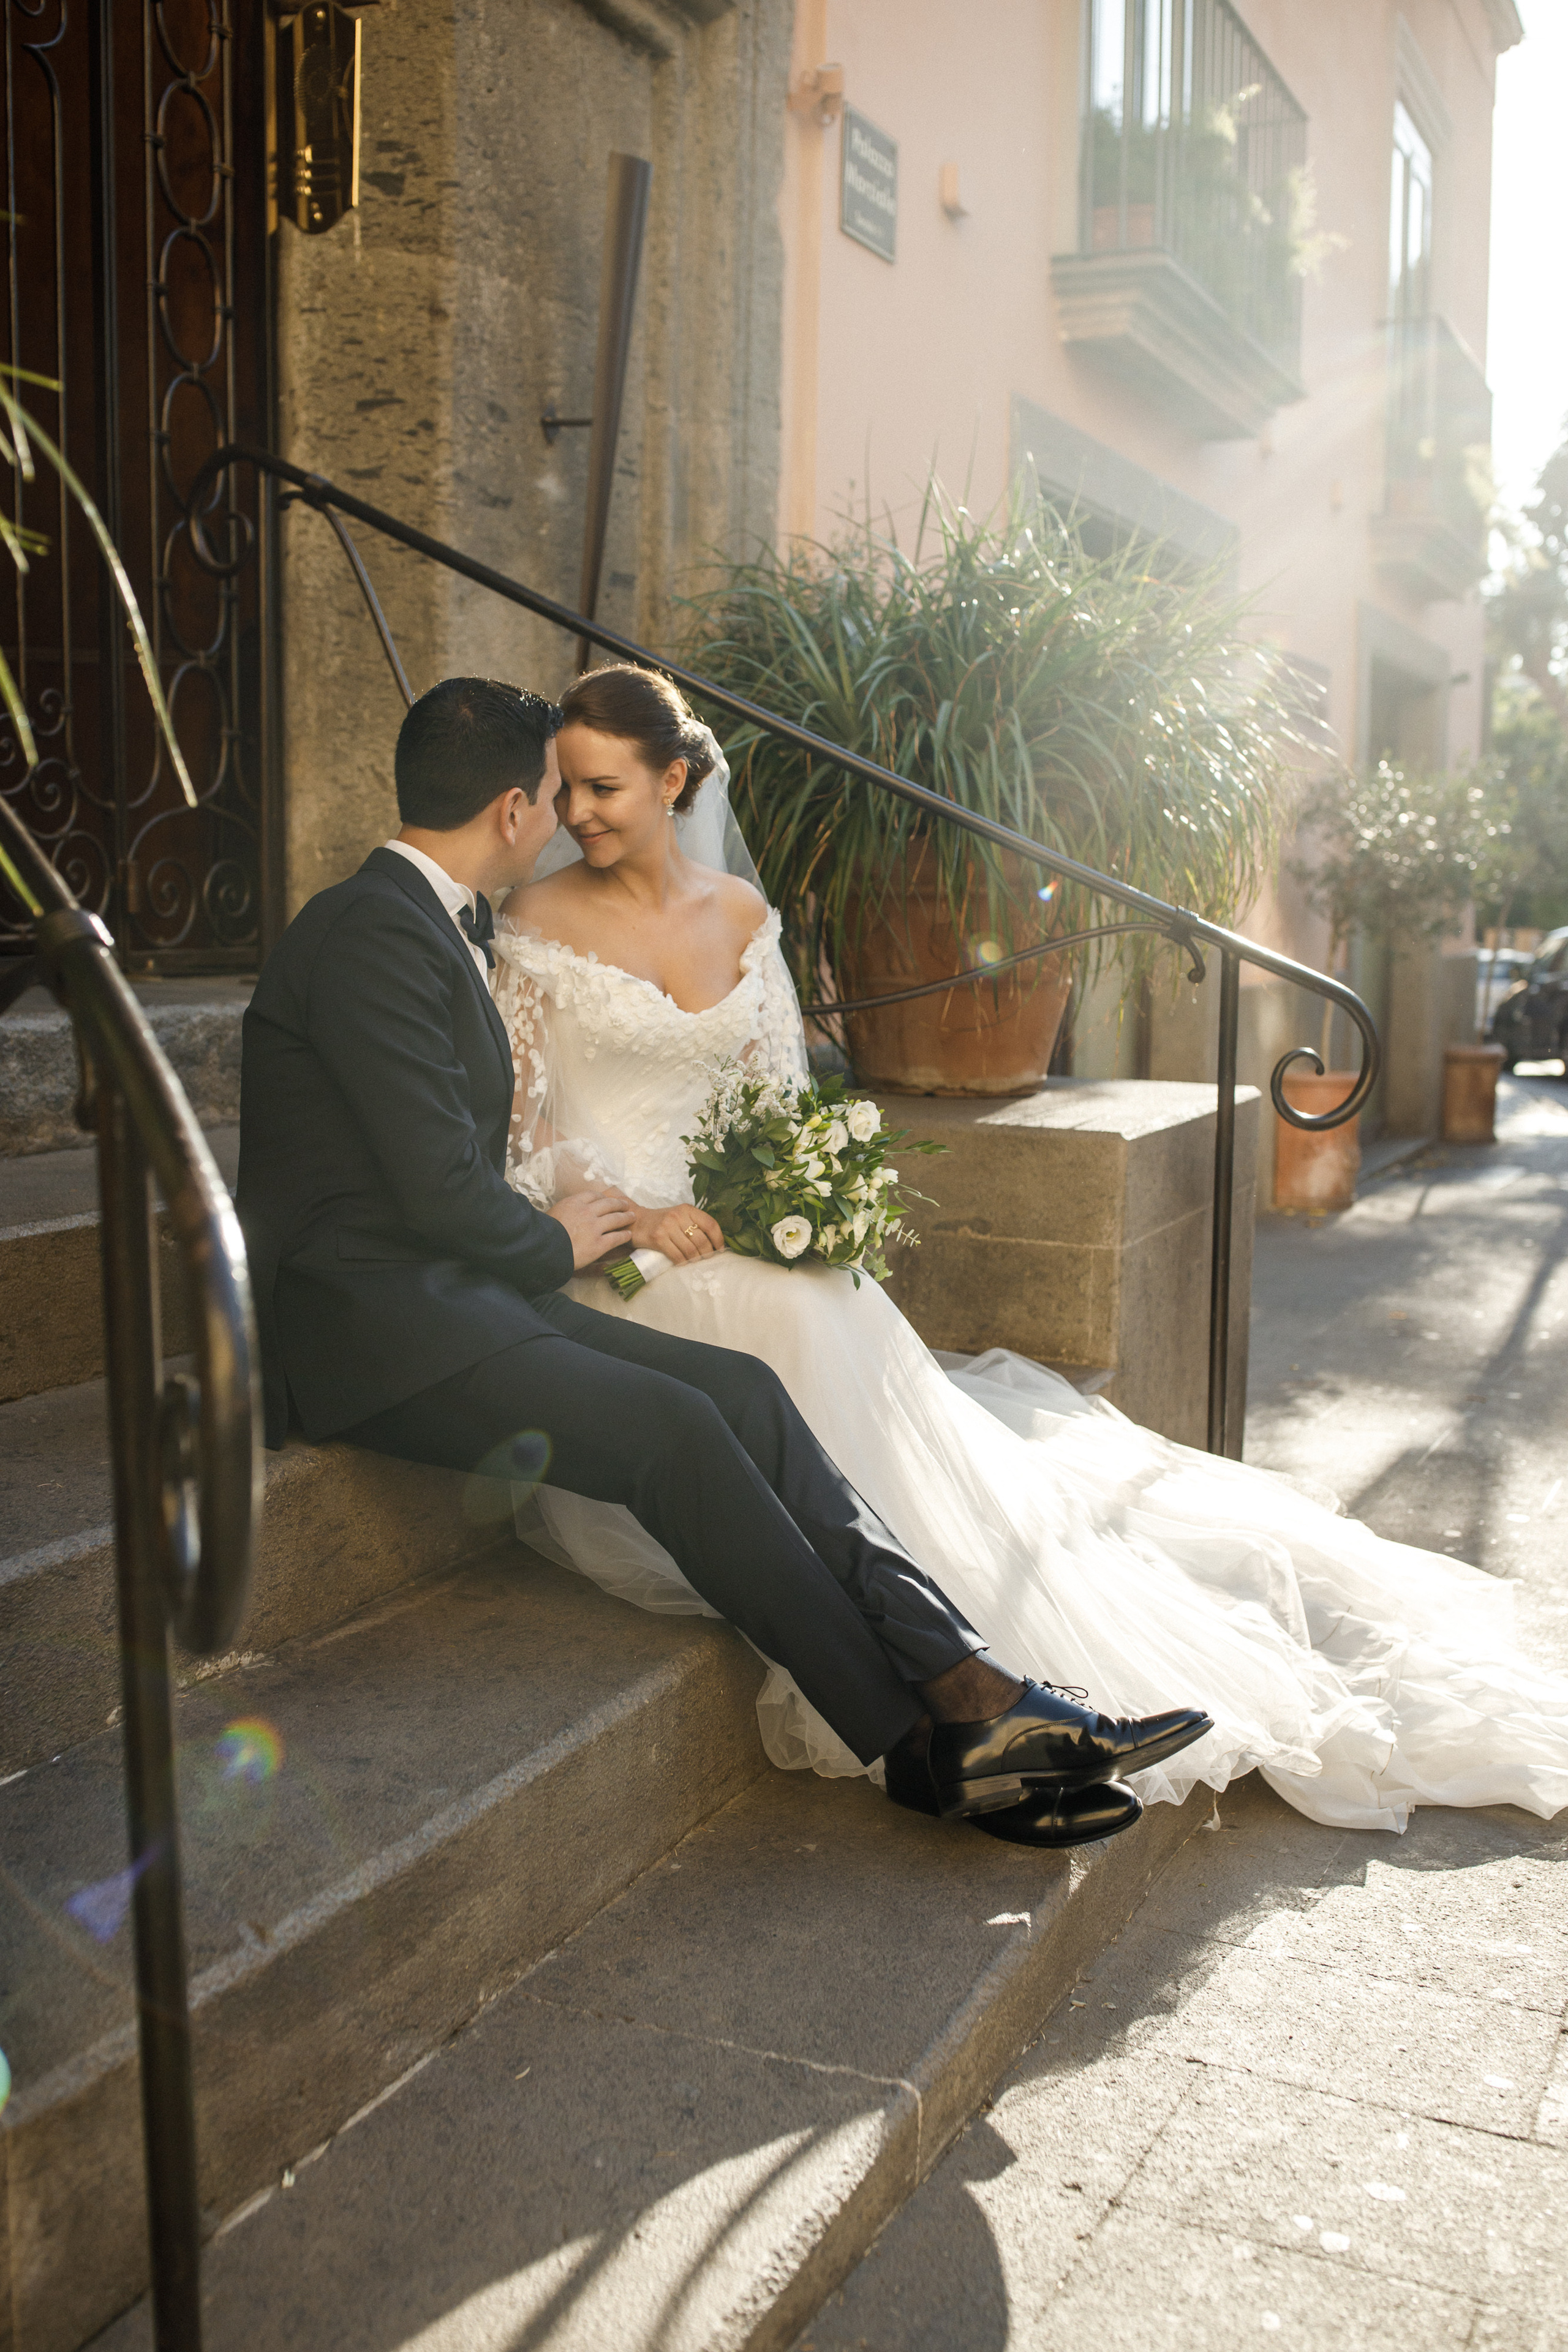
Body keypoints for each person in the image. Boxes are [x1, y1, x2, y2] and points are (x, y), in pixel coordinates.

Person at [494, 662, 1568, 1834]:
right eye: (567, 790)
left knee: (820, 1297)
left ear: (676, 777)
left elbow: (779, 1114)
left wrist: (791, 1203)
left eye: (603, 788)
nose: (579, 814)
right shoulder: (536, 926)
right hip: (620, 1257)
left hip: (733, 1239)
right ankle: (982, 1694)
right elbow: (526, 1132)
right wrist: (639, 1215)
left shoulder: (747, 920)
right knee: (792, 1319)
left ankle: (996, 1676)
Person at [235, 675, 1212, 1852]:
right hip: (371, 1328)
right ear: (508, 810)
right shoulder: (366, 935)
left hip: (449, 1295)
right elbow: (439, 1186)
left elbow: (442, 1173)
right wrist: (557, 1238)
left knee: (744, 1390)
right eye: (552, 795)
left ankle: (972, 1695)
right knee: (677, 1432)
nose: (562, 820)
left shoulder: (420, 922)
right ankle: (923, 1748)